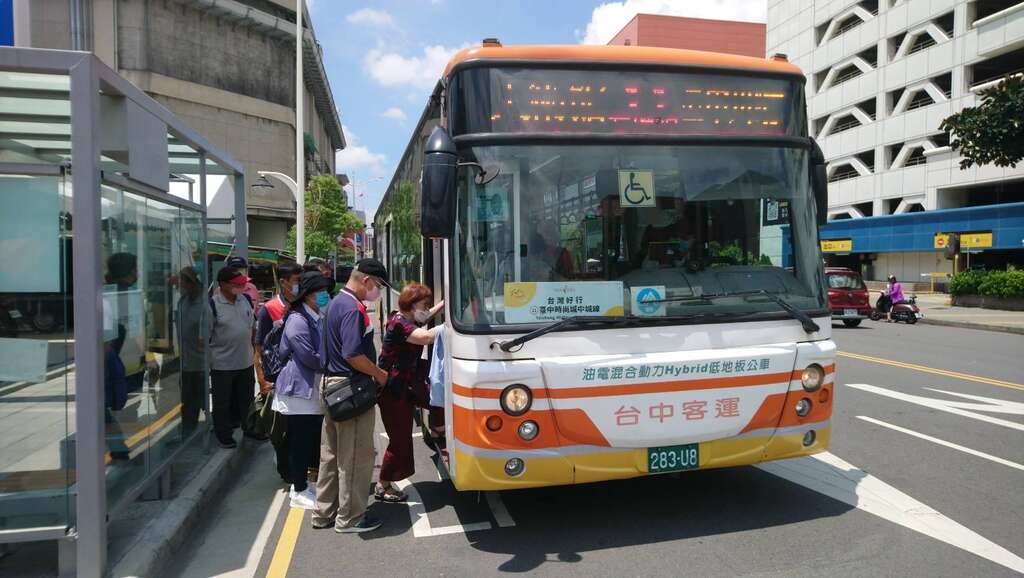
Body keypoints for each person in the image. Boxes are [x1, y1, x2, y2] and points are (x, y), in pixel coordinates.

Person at [313, 258, 391, 533]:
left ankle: (324, 512)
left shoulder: (335, 302)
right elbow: (353, 354)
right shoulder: (353, 309)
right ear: (366, 280)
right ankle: (351, 518)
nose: (378, 291)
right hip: (350, 389)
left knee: (331, 454)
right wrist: (379, 374)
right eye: (379, 285)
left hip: (330, 386)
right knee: (356, 457)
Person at [375, 283, 444, 502]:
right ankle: (383, 484)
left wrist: (447, 304)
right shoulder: (399, 324)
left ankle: (438, 430)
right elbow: (426, 337)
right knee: (400, 440)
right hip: (393, 390)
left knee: (438, 398)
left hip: (408, 384)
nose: (426, 309)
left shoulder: (408, 318)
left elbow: (426, 318)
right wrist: (452, 324)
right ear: (412, 305)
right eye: (424, 305)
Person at [274, 271, 333, 509]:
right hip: (298, 390)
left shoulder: (315, 315)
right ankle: (298, 490)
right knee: (300, 441)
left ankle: (302, 485)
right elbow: (308, 356)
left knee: (306, 440)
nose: (325, 295)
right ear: (308, 295)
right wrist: (333, 363)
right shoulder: (298, 319)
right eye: (321, 291)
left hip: (309, 388)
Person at [254, 262, 303, 482]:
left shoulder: (305, 303)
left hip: (303, 381)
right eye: (296, 281)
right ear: (283, 282)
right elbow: (259, 349)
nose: (299, 285)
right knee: (282, 431)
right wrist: (262, 381)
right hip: (279, 381)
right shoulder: (270, 309)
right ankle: (288, 473)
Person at [209, 267, 256, 448]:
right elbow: (205, 336)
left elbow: (252, 326)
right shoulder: (213, 305)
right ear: (223, 285)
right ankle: (224, 434)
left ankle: (250, 428)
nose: (242, 287)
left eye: (243, 284)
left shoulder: (244, 300)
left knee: (247, 400)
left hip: (245, 361)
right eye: (237, 284)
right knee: (222, 403)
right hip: (222, 365)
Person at [176, 266, 209, 437]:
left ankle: (208, 431)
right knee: (188, 401)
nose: (180, 286)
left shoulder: (205, 305)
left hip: (200, 364)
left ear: (192, 283)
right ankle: (187, 433)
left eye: (183, 282)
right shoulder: (182, 302)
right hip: (185, 362)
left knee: (201, 400)